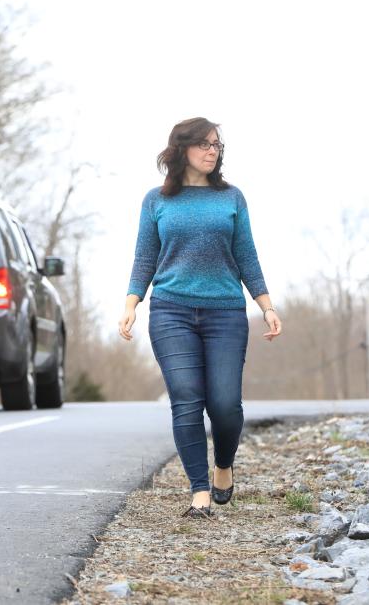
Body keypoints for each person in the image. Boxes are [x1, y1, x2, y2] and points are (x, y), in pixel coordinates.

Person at [118, 116, 282, 518]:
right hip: (171, 311)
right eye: (205, 144)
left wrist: (266, 305)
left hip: (225, 313)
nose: (213, 151)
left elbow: (246, 255)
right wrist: (130, 303)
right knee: (187, 400)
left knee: (225, 404)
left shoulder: (231, 198)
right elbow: (145, 256)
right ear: (182, 149)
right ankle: (199, 492)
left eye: (217, 145)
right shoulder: (156, 200)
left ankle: (223, 465)